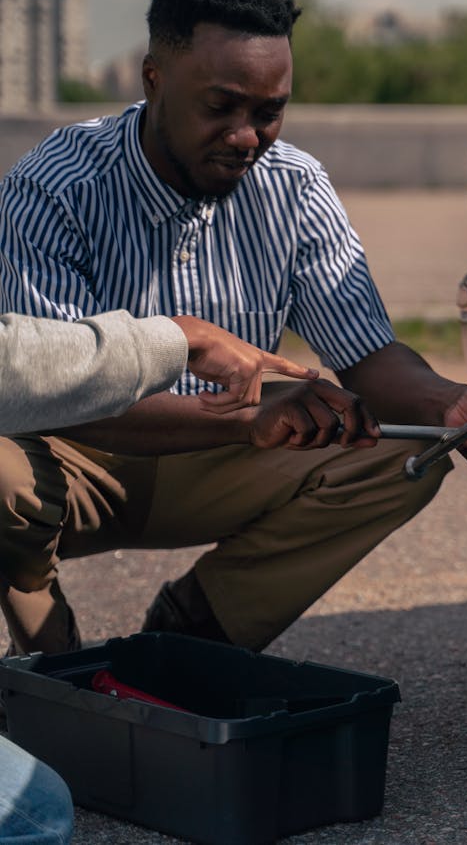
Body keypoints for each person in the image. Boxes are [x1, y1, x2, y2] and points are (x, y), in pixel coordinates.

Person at [0, 0, 467, 660]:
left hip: (224, 457)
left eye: (270, 112)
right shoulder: (55, 184)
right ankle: (47, 642)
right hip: (78, 462)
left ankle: (189, 644)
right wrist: (248, 418)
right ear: (153, 77)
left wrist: (447, 400)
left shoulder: (295, 186)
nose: (245, 138)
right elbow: (58, 397)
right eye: (220, 107)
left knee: (397, 460)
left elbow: (367, 354)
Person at [0, 307, 316, 844]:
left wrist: (451, 402)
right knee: (37, 816)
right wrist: (181, 340)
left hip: (210, 448)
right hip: (75, 445)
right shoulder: (50, 218)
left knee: (37, 809)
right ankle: (45, 672)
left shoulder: (296, 218)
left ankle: (181, 649)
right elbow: (25, 375)